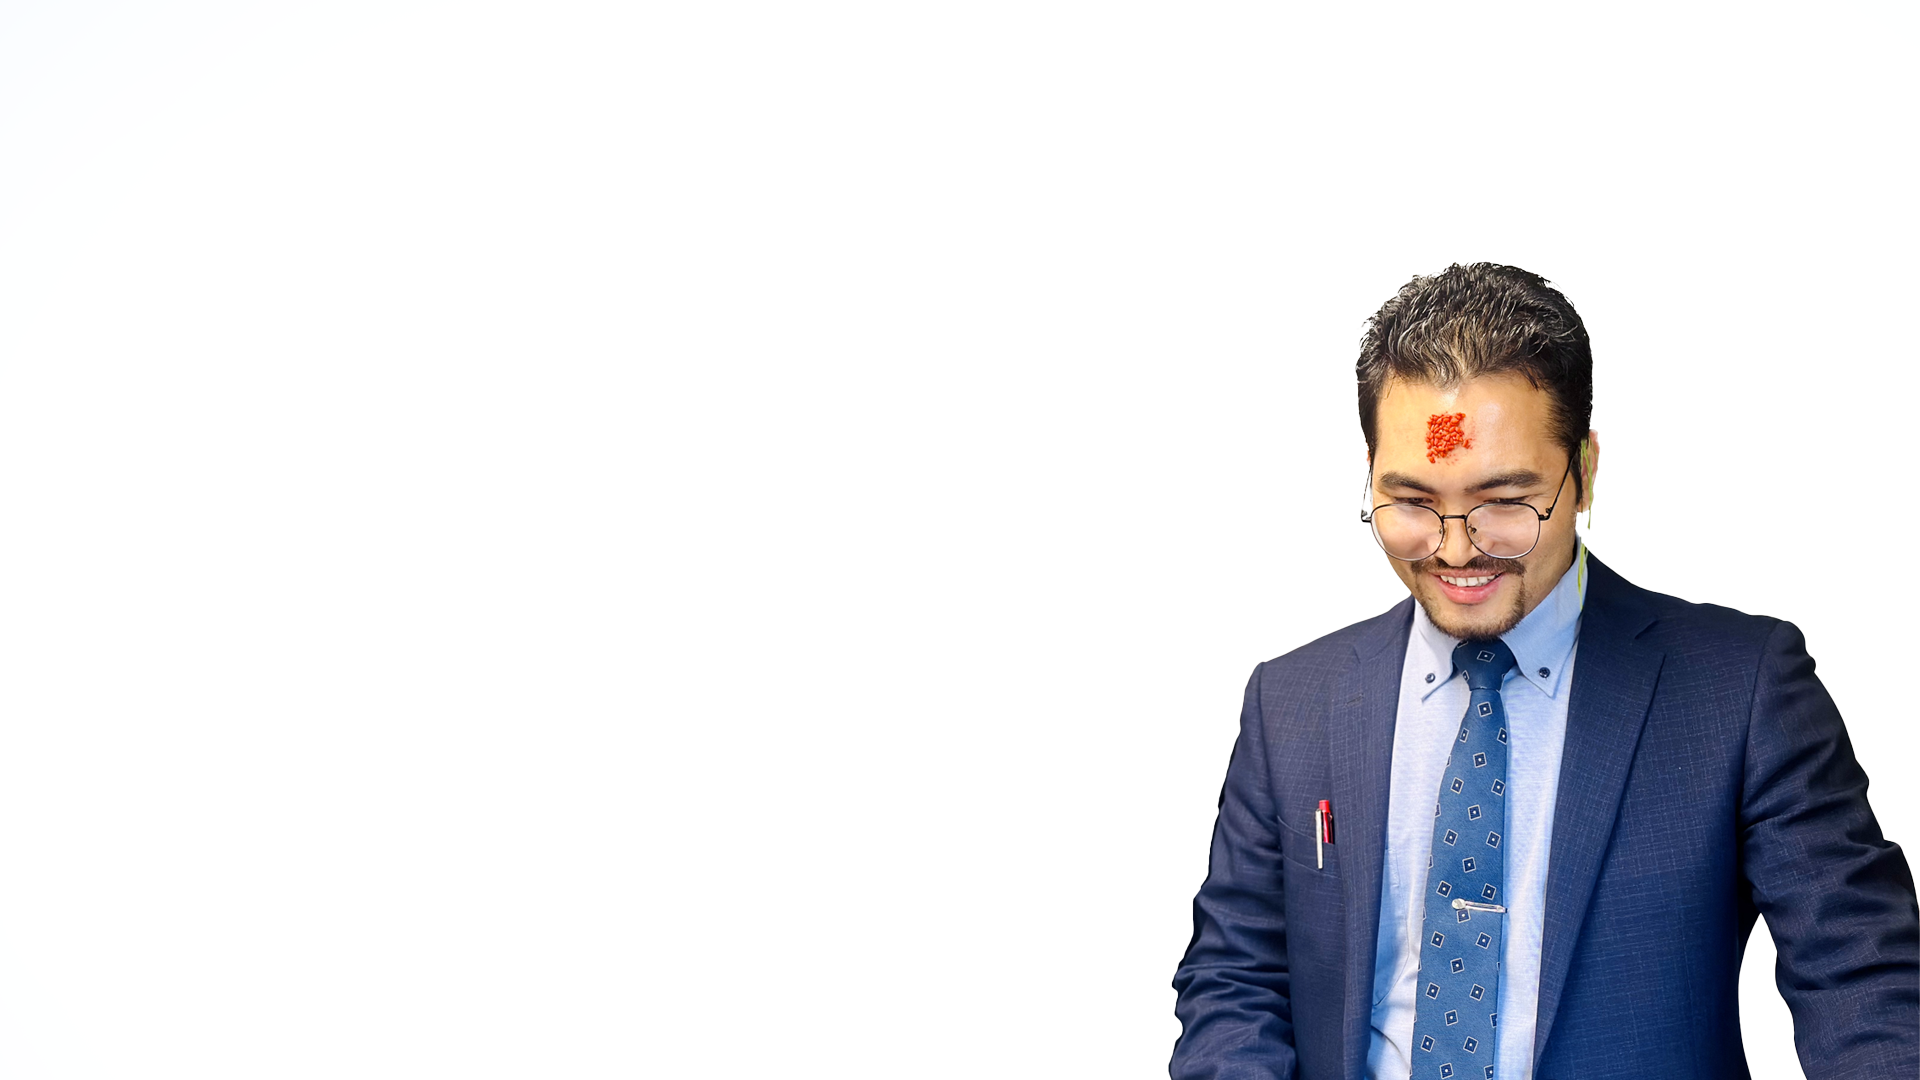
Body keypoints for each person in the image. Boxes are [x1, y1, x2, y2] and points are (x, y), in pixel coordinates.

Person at [1168, 263, 1918, 1080]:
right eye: (1412, 502)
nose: (1456, 549)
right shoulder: (1292, 703)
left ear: (1584, 471)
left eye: (1504, 502)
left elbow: (1864, 983)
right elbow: (1234, 980)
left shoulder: (1739, 691)